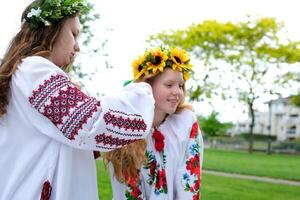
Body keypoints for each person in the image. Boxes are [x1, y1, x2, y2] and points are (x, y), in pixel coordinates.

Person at [0, 0, 155, 199]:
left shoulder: (23, 74)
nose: (77, 47)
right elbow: (89, 123)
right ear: (52, 30)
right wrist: (142, 92)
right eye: (73, 34)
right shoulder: (34, 70)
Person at [105, 47, 204, 200]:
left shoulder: (185, 122)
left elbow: (189, 181)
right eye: (169, 85)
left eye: (180, 85)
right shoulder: (126, 126)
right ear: (147, 86)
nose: (177, 92)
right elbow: (128, 190)